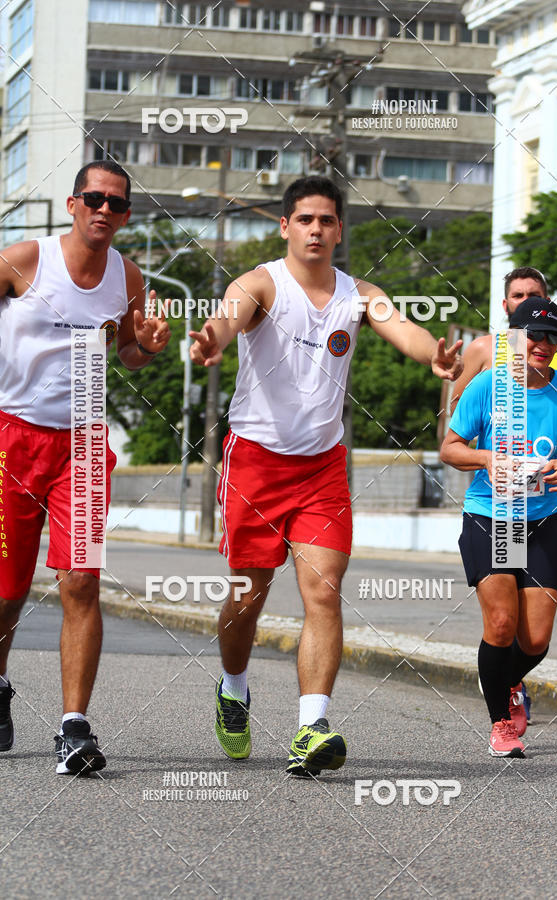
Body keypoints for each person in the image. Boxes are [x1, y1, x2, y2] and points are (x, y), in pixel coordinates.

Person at [189, 175, 463, 776]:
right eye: (305, 219)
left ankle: (311, 725)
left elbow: (405, 330)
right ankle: (234, 688)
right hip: (255, 461)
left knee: (323, 589)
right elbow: (228, 318)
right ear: (285, 226)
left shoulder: (359, 292)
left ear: (339, 229)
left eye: (327, 221)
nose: (316, 229)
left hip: (321, 467)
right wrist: (209, 340)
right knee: (247, 595)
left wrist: (434, 356)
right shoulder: (260, 283)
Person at [0, 161, 171, 774]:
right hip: (11, 438)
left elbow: (127, 351)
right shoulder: (23, 258)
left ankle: (73, 725)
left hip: (84, 443)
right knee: (7, 590)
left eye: (117, 204)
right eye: (95, 198)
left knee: (82, 580)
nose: (105, 209)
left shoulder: (126, 275)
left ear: (126, 215)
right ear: (73, 204)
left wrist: (147, 346)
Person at [440, 297, 557, 757]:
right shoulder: (488, 386)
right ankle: (500, 724)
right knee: (503, 624)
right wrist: (487, 457)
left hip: (545, 518)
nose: (544, 345)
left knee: (536, 639)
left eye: (552, 336)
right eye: (534, 335)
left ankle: (506, 680)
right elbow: (451, 448)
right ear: (514, 339)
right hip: (494, 515)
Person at [450, 266, 557, 423]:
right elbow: (456, 405)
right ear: (505, 305)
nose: (526, 301)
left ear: (547, 302)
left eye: (534, 295)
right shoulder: (482, 348)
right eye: (518, 295)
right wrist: (497, 424)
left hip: (550, 447)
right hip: (494, 447)